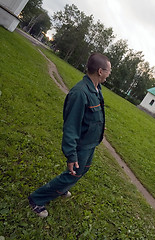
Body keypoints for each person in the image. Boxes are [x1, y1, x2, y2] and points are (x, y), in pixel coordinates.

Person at [28, 53, 111, 217]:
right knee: (72, 174)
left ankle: (61, 190)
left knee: (83, 171)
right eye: (109, 71)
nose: (109, 74)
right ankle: (36, 199)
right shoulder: (80, 93)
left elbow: (92, 115)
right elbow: (71, 127)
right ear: (100, 71)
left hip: (91, 142)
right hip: (81, 145)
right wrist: (72, 156)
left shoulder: (96, 89)